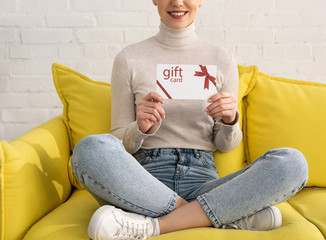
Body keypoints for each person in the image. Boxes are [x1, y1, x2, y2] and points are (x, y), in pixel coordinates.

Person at [71, 0, 309, 239]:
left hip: (204, 177)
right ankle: (221, 216)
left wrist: (230, 120)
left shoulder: (221, 58)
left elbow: (225, 144)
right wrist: (139, 128)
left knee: (292, 162)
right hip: (144, 181)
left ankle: (154, 226)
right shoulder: (129, 58)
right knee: (90, 148)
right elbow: (117, 142)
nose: (177, 2)